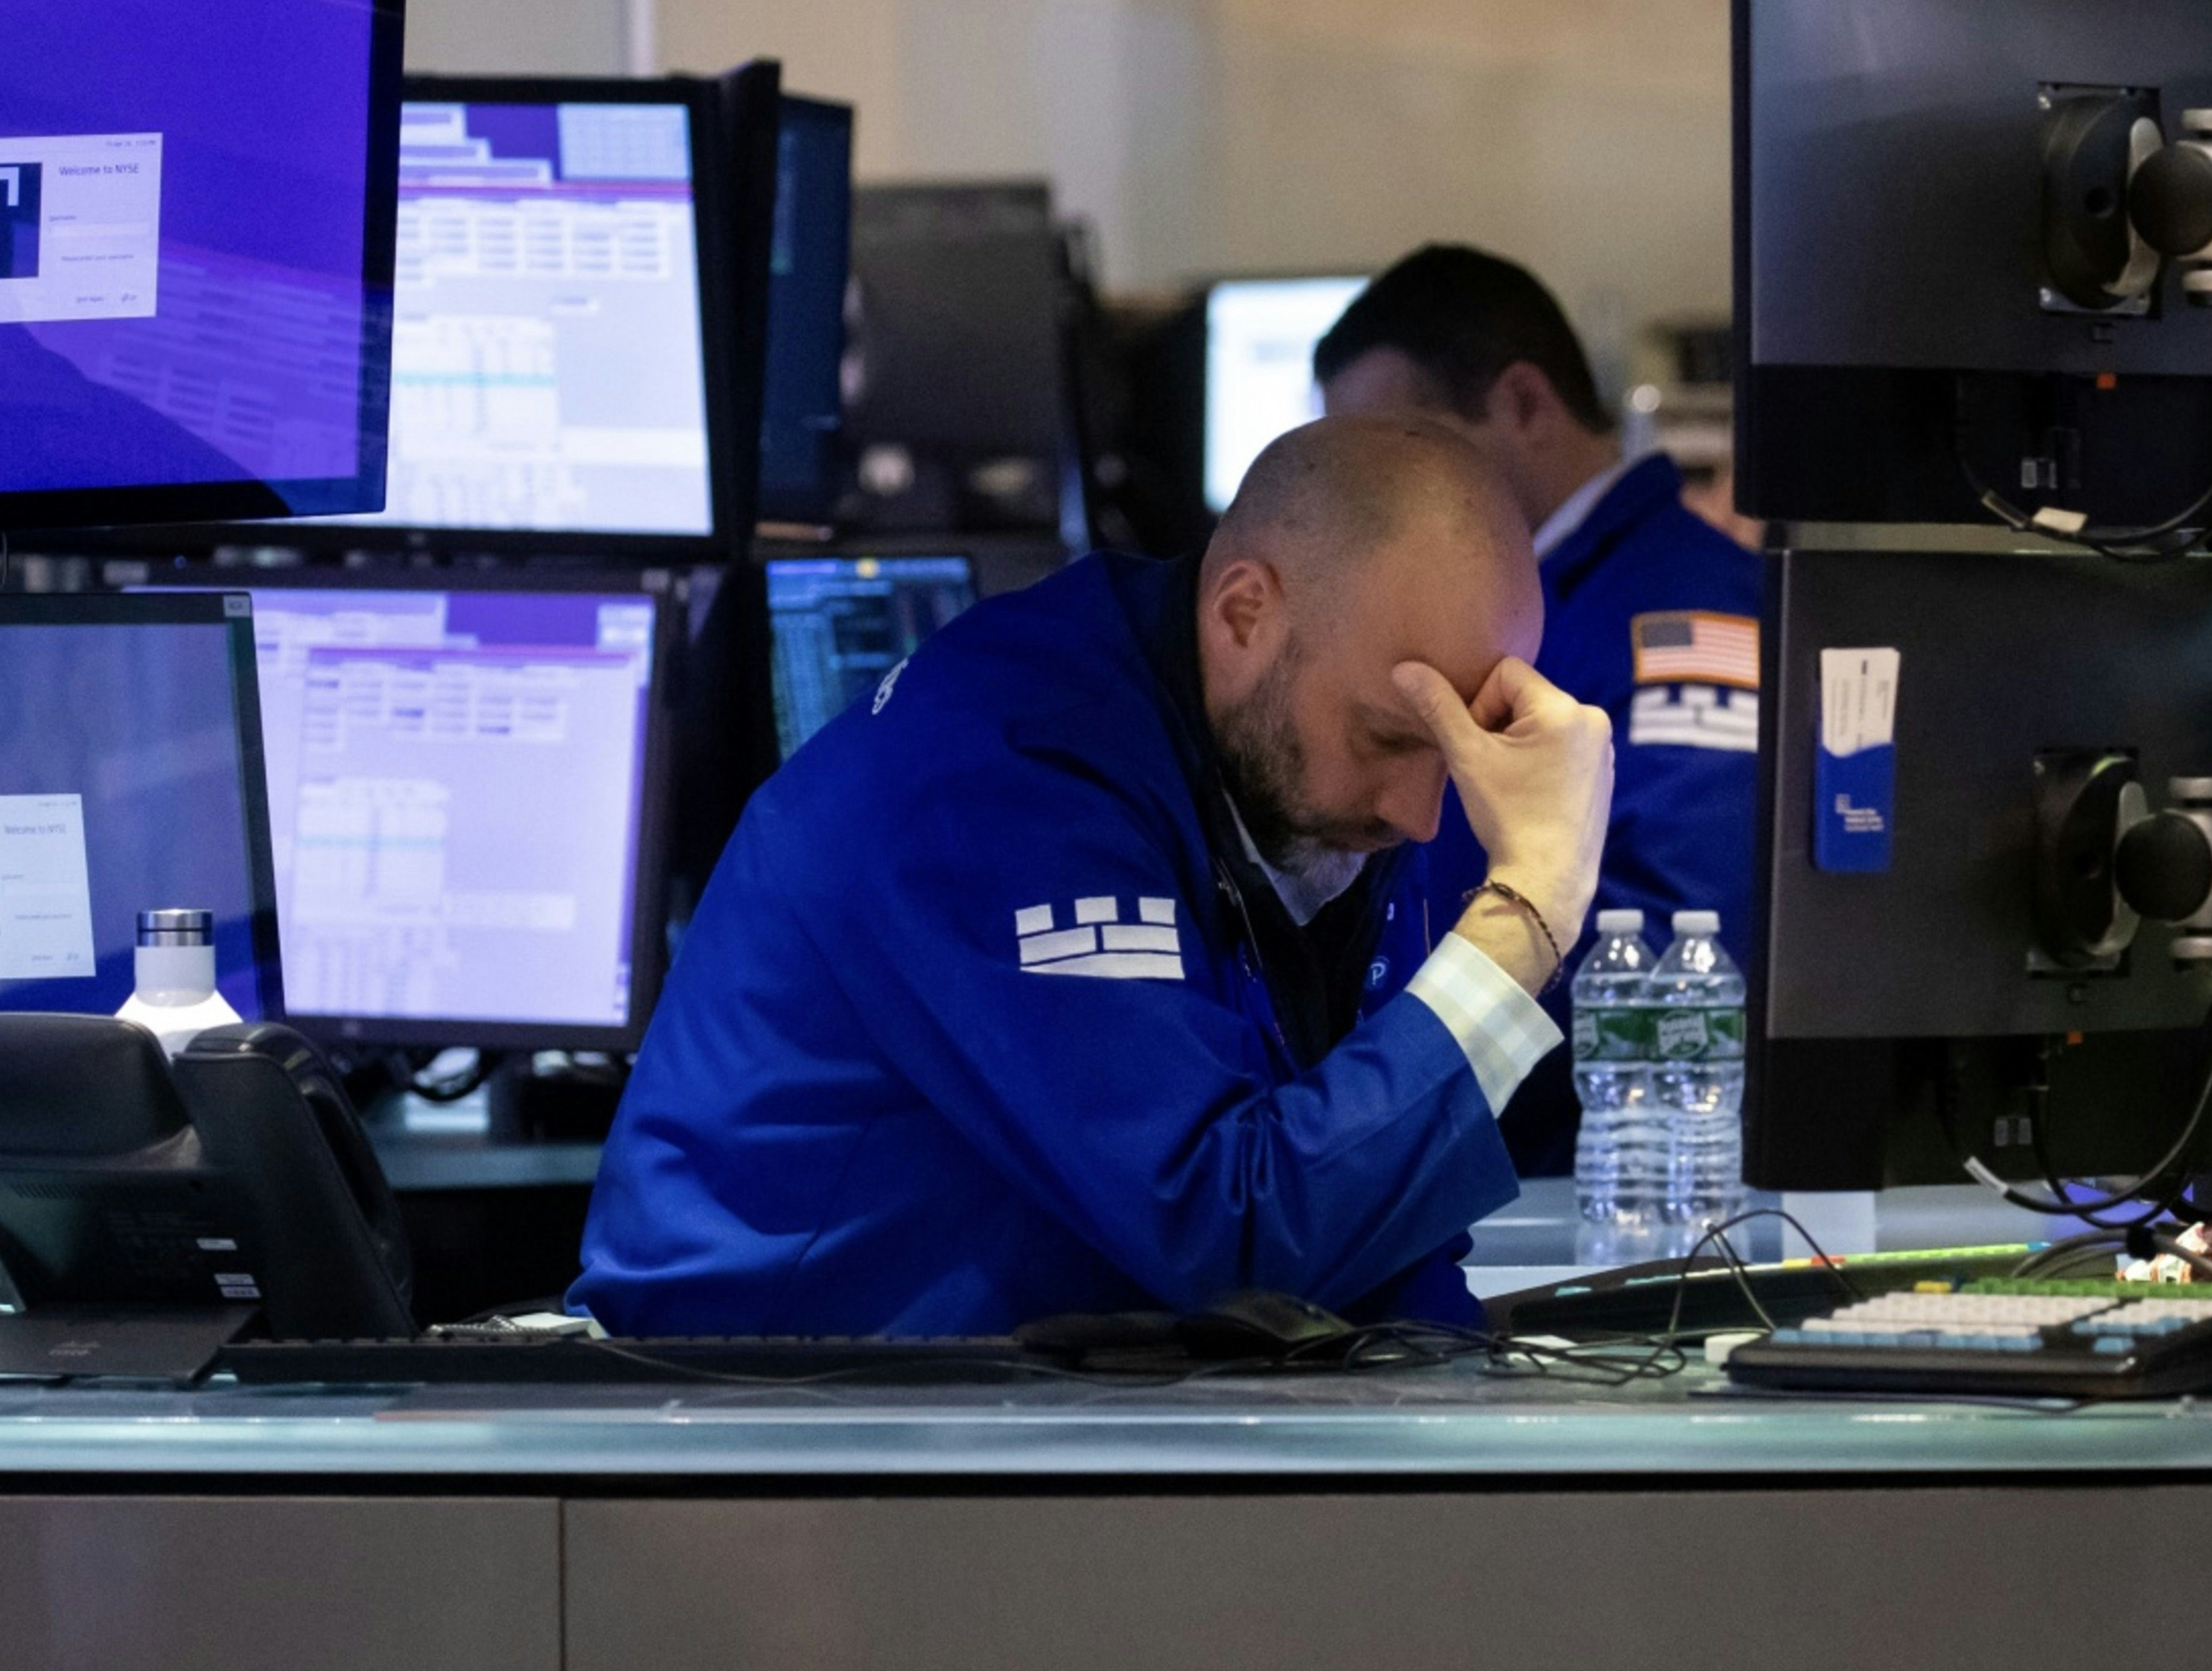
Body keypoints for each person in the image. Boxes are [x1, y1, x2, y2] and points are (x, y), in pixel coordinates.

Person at [572, 415, 1614, 1337]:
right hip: (755, 1427)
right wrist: (1526, 916)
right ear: (1244, 611)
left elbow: (1370, 1230)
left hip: (1030, 1401)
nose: (1419, 813)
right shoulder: (1002, 777)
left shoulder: (1305, 749)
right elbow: (1231, 1234)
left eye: (1456, 750)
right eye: (1391, 739)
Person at [1314, 244, 1764, 1174]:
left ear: (1522, 403)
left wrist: (1394, 1085)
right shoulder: (1513, 596)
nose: (1365, 503)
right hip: (1437, 1147)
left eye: (1399, 452)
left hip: (1582, 1178)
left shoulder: (1684, 612)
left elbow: (1681, 938)